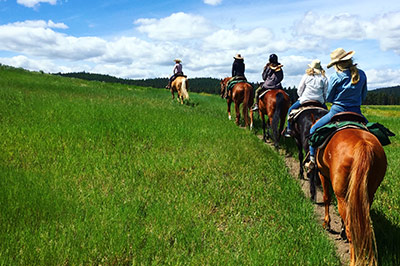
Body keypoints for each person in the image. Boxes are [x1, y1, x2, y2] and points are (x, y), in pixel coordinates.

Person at [305, 48, 368, 170]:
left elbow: (329, 97)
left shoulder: (335, 77)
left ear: (337, 64)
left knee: (313, 129)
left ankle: (312, 159)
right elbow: (364, 95)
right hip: (357, 112)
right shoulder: (362, 74)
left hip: (337, 111)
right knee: (371, 131)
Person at [284, 59, 328, 137]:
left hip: (305, 99)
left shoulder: (306, 76)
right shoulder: (324, 78)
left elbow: (300, 89)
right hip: (319, 101)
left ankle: (289, 129)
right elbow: (325, 92)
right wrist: (323, 100)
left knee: (290, 110)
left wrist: (301, 97)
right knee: (327, 113)